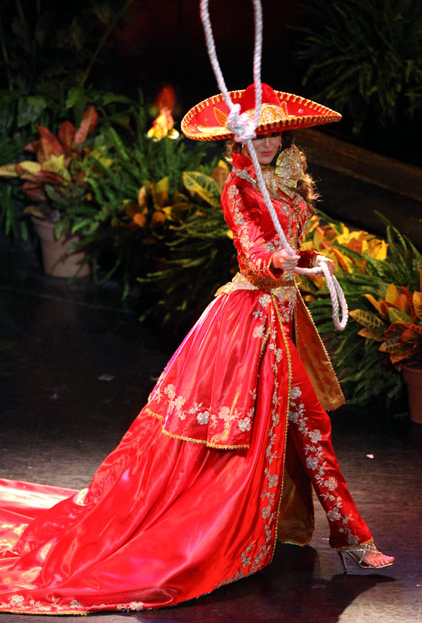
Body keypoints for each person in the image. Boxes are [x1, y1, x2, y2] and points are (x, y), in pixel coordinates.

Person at [0, 83, 393, 615]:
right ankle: (344, 537)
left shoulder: (288, 183)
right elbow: (253, 253)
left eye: (275, 134)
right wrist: (279, 263)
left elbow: (286, 248)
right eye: (258, 136)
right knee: (287, 428)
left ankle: (354, 537)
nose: (268, 143)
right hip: (250, 323)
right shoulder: (238, 189)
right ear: (239, 140)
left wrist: (304, 260)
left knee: (310, 425)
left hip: (283, 318)